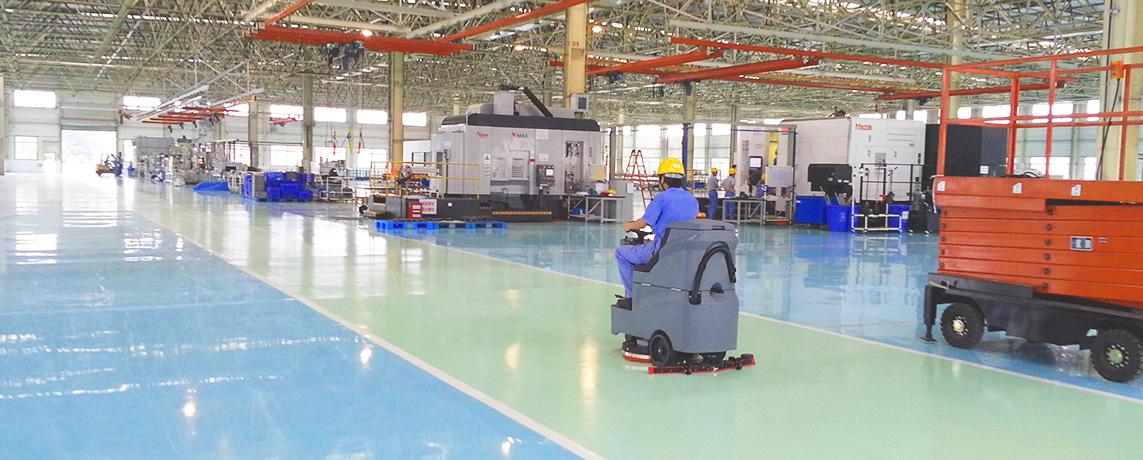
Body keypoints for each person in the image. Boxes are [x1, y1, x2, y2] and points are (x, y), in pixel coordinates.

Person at [614, 158, 700, 306]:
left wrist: (628, 226)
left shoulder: (662, 198)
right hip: (685, 250)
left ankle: (632, 297)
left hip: (662, 249)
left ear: (662, 179)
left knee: (621, 253)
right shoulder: (692, 199)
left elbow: (644, 222)